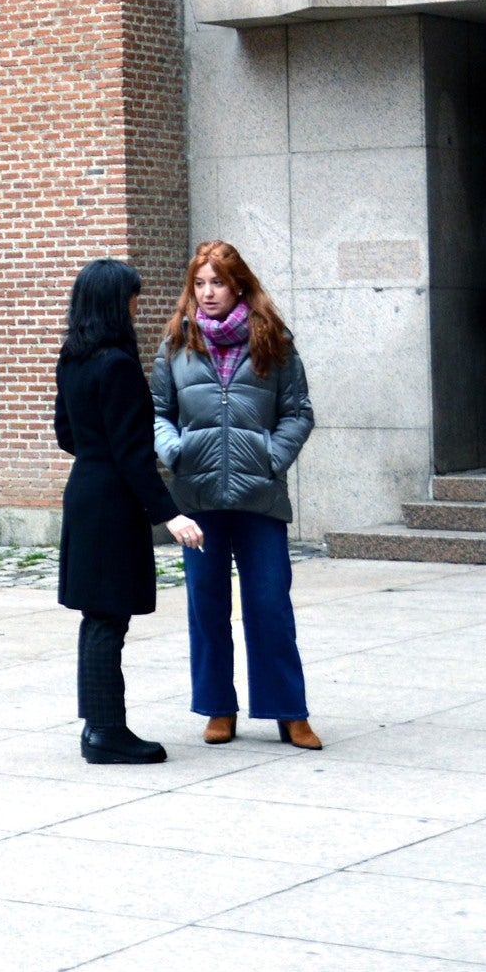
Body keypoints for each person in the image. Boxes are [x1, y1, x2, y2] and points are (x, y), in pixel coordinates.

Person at [150, 240, 319, 749]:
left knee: (269, 603)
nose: (207, 293)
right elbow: (157, 411)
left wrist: (271, 457)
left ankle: (289, 711)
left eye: (217, 282)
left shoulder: (274, 340)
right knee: (206, 605)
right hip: (197, 496)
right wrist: (174, 450)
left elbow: (299, 412)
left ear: (238, 283)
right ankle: (218, 708)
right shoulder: (176, 343)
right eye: (199, 283)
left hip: (259, 496)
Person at [55, 259, 205, 764]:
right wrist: (171, 514)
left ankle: (98, 726)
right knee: (107, 619)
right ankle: (105, 732)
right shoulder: (116, 364)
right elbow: (133, 453)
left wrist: (99, 457)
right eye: (132, 297)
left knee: (98, 616)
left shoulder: (74, 357)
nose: (138, 305)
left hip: (87, 491)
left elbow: (66, 435)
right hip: (111, 503)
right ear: (115, 303)